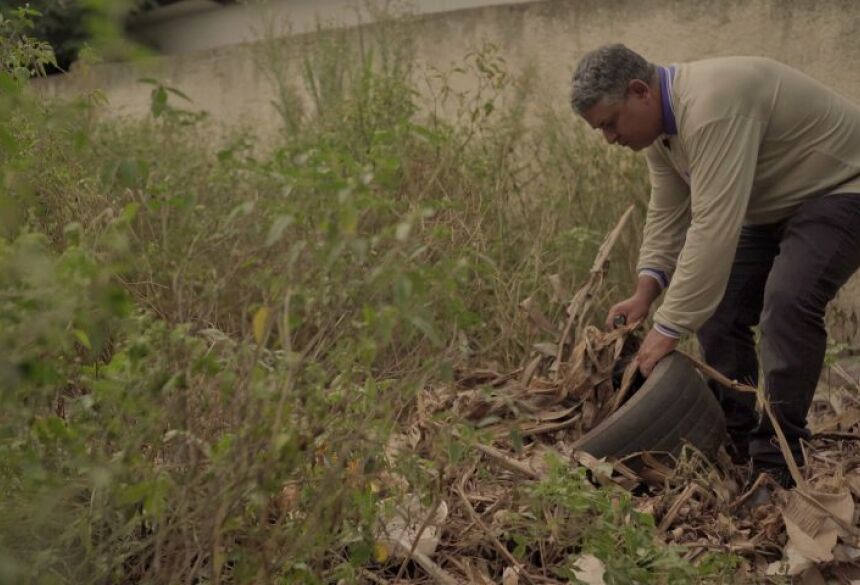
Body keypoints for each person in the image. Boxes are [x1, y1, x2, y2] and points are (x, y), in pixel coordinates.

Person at [569, 44, 860, 486]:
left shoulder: (711, 106)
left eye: (610, 123)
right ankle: (735, 435)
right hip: (776, 204)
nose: (609, 138)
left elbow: (712, 228)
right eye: (600, 130)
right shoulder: (661, 135)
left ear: (639, 90)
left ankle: (778, 459)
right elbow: (668, 213)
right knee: (720, 310)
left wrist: (666, 330)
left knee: (787, 304)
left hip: (843, 186)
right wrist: (645, 292)